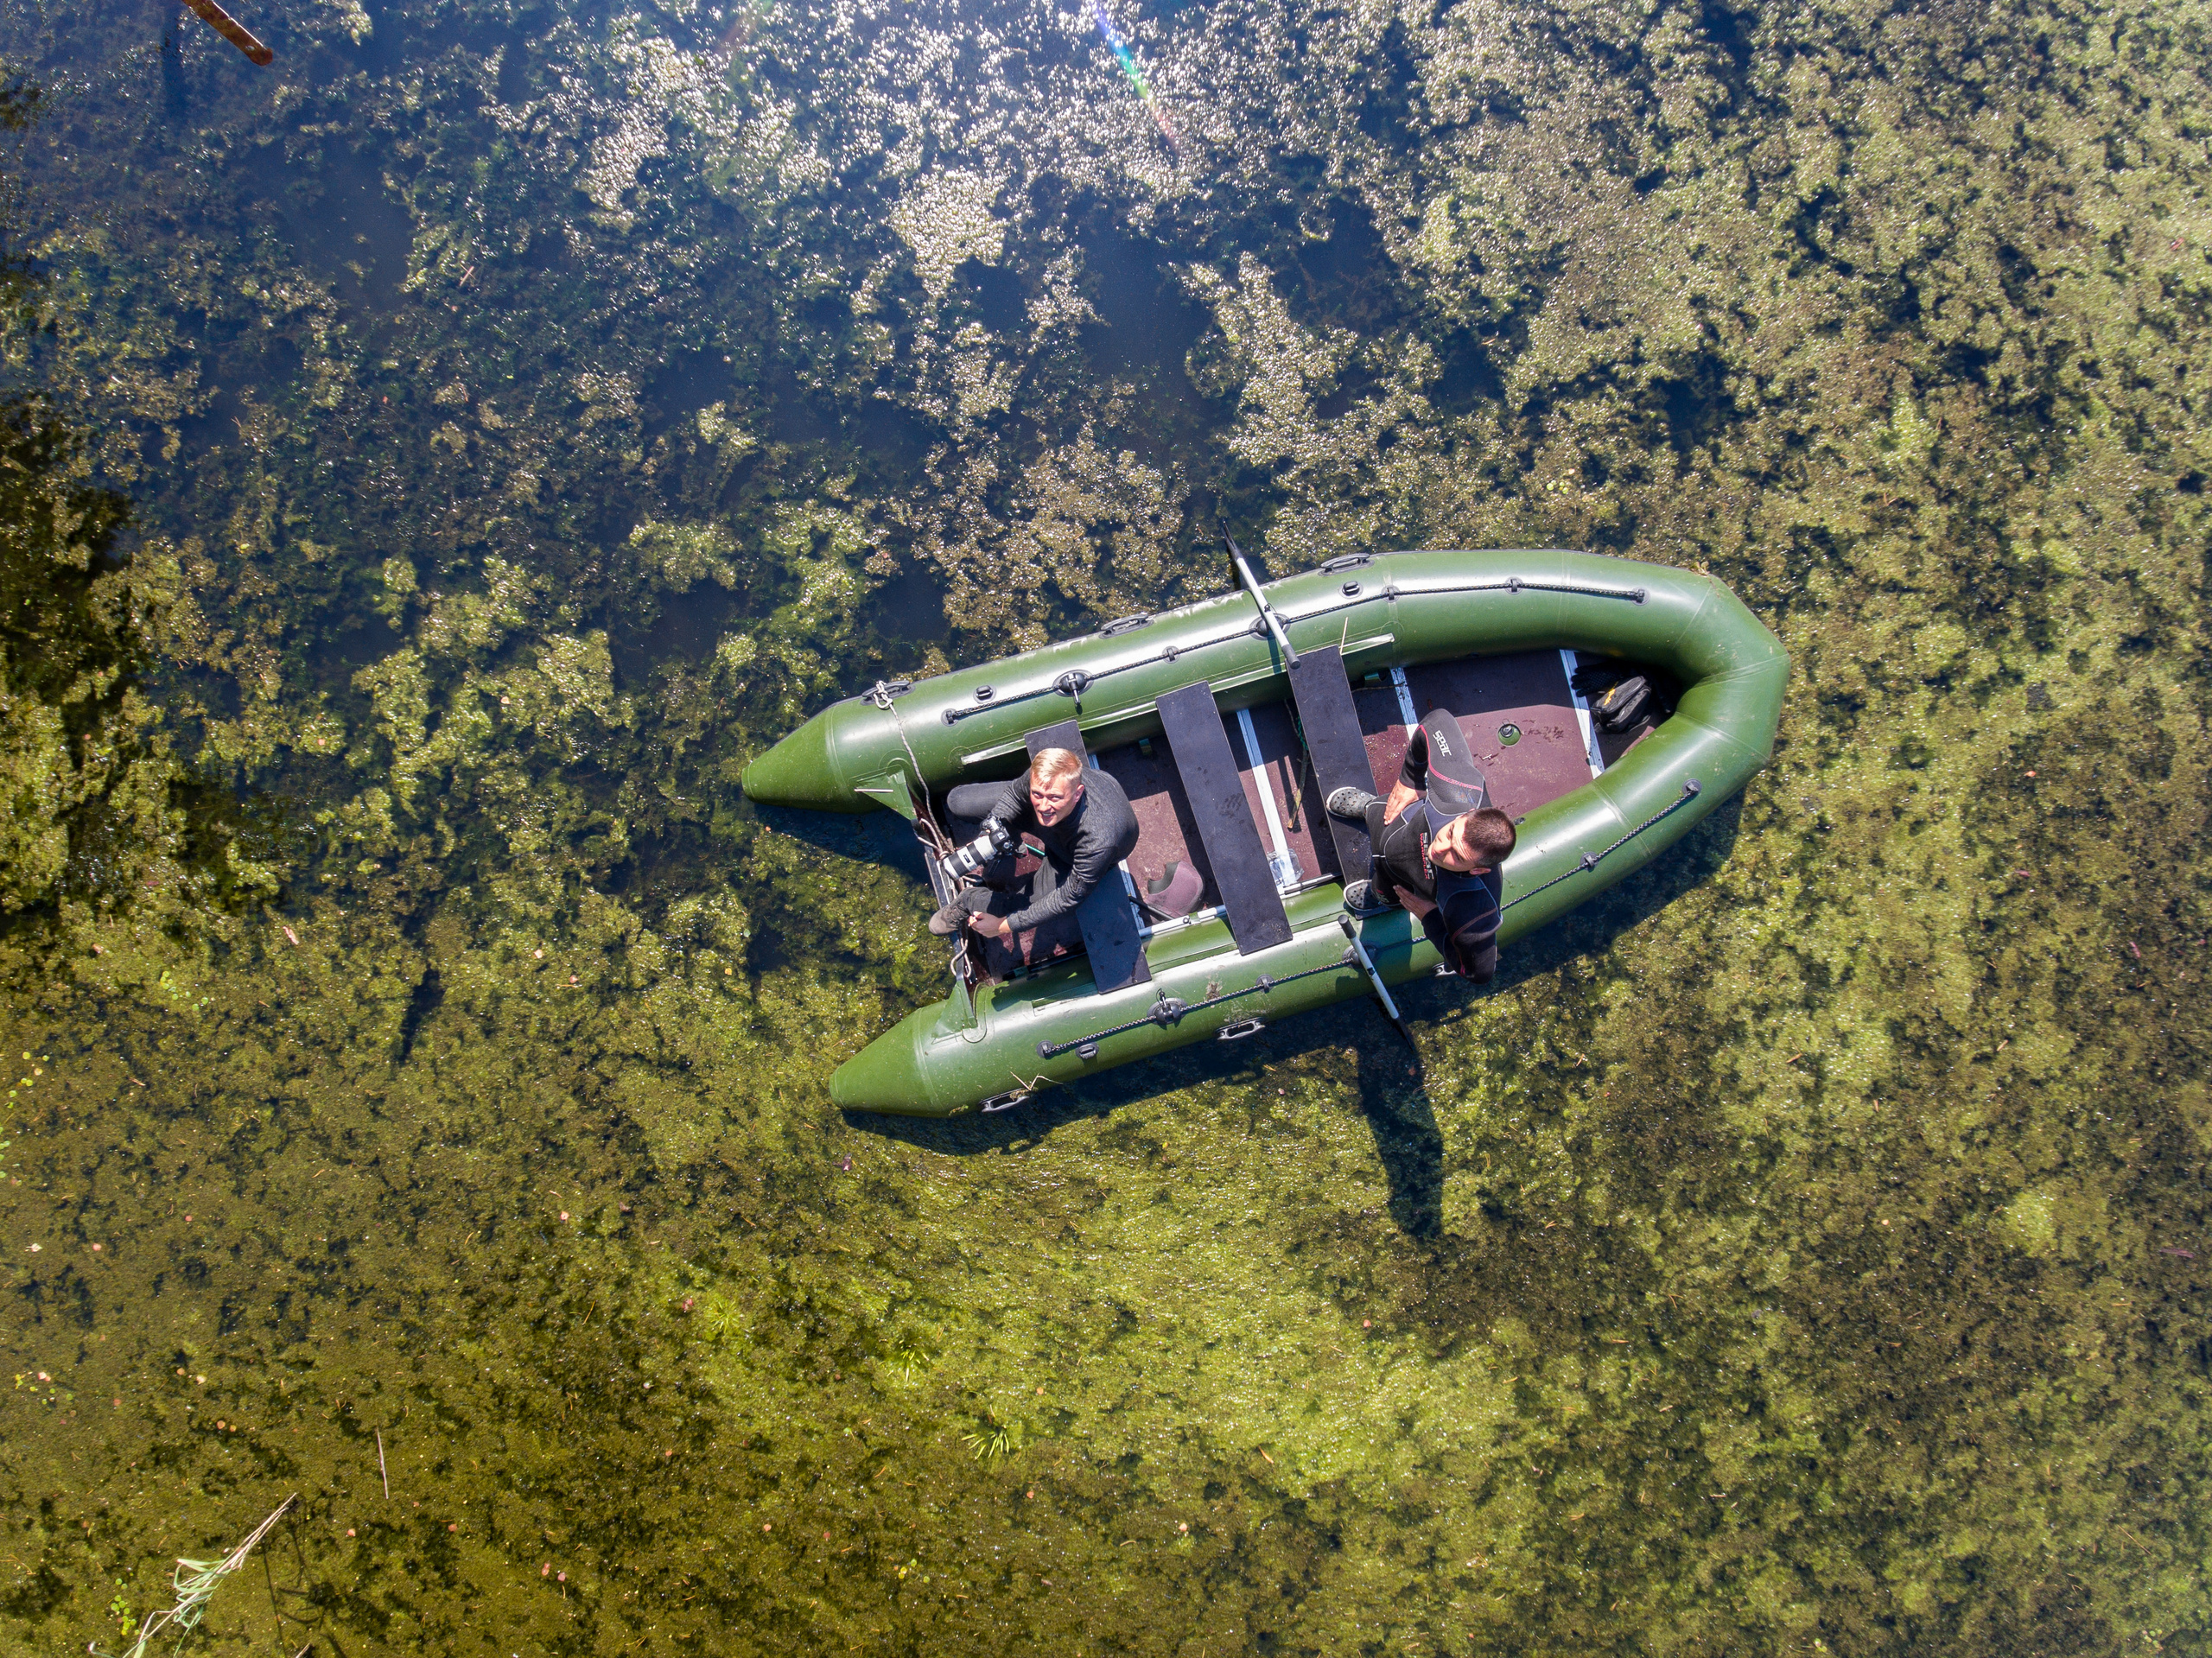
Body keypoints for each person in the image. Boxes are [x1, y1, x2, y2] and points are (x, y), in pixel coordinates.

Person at [1325, 721, 1516, 982]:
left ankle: (1379, 898)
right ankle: (1367, 806)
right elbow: (1438, 723)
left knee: (1386, 893)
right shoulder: (1458, 790)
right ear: (1467, 814)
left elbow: (1477, 972)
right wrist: (1410, 778)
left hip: (1403, 883)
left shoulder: (1474, 906)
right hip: (1399, 820)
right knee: (1380, 808)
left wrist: (1429, 917)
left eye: (1456, 856)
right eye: (1450, 833)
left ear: (1478, 870)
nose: (1438, 848)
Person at [929, 747, 1140, 943]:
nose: (1043, 806)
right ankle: (1008, 841)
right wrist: (992, 831)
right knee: (958, 802)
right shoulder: (1045, 775)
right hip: (1054, 823)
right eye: (1037, 794)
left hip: (1071, 856)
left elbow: (1068, 898)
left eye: (1054, 797)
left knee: (1031, 908)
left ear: (1077, 793)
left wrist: (1004, 926)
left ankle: (969, 900)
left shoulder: (1099, 839)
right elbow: (1014, 795)